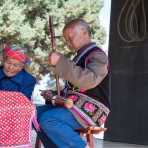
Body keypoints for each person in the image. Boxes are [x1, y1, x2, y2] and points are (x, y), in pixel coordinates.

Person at [37, 18, 110, 148]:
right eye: (66, 40)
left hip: (91, 110)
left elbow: (89, 81)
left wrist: (61, 62)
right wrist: (53, 94)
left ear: (84, 32)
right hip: (73, 106)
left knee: (49, 119)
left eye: (71, 37)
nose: (68, 42)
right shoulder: (78, 58)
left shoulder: (98, 55)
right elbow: (73, 89)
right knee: (34, 114)